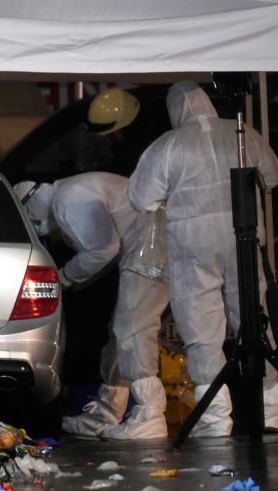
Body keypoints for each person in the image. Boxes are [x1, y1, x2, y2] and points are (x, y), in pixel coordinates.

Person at [128, 80, 278, 437]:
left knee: (202, 329)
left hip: (194, 246)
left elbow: (141, 198)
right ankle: (271, 411)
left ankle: (215, 420)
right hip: (243, 237)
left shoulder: (168, 145)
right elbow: (274, 174)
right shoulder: (240, 131)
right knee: (254, 320)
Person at [14, 172, 171, 439]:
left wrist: (63, 277)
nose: (35, 224)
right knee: (121, 333)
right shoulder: (73, 191)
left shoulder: (67, 199)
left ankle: (150, 414)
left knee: (133, 330)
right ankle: (106, 414)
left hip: (150, 250)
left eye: (28, 217)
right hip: (152, 245)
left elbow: (103, 249)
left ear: (30, 201)